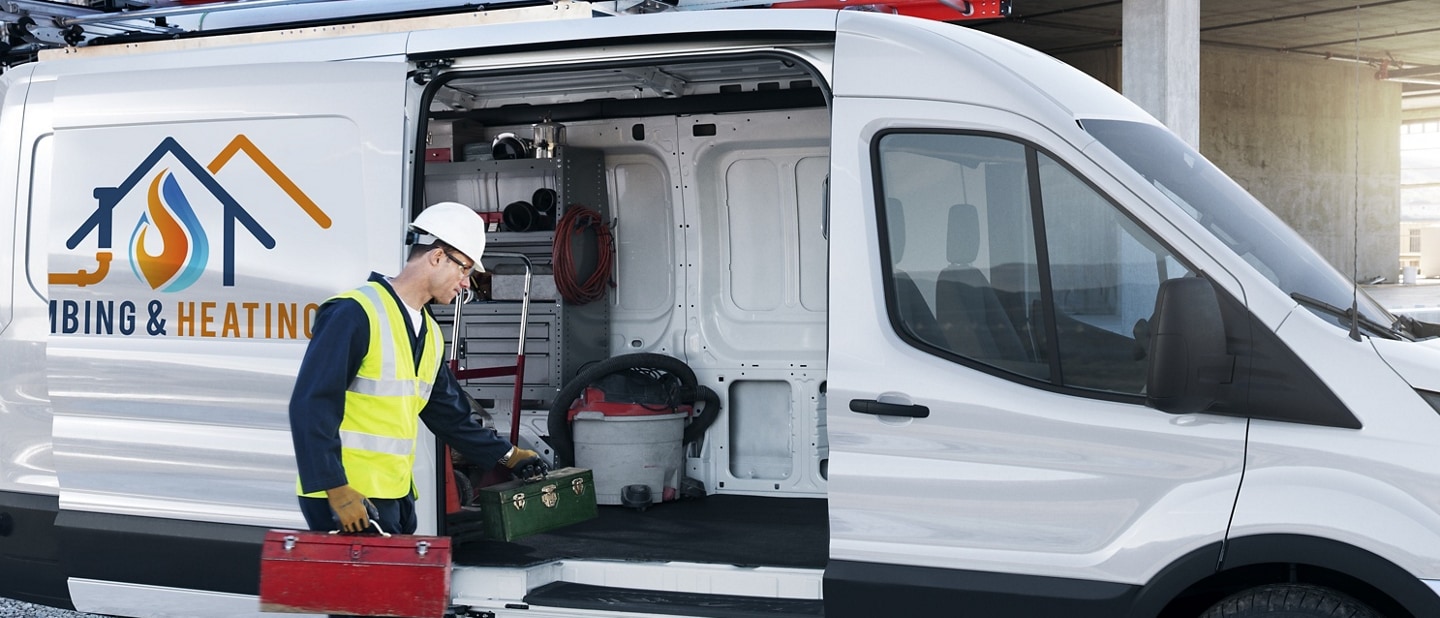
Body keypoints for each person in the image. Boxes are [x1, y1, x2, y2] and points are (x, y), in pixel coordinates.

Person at [289, 201, 547, 534]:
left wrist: (508, 455)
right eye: (464, 269)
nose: (466, 283)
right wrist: (334, 487)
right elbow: (311, 404)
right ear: (437, 257)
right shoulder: (355, 313)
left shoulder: (428, 333)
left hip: (392, 495)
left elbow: (450, 416)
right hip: (348, 499)